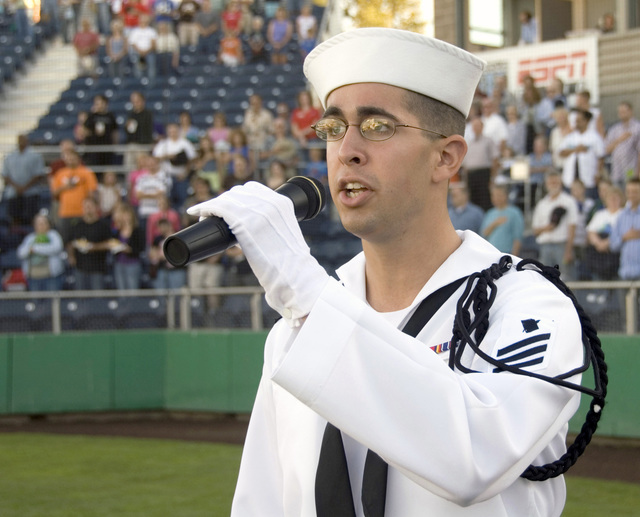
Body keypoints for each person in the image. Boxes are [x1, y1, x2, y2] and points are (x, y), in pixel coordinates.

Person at [186, 28, 585, 516]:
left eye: (377, 127)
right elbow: (264, 502)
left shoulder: (527, 304)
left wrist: (305, 293)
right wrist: (307, 302)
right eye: (333, 129)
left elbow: (475, 456)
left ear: (446, 157)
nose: (346, 149)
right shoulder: (296, 326)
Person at [532, 170, 578, 280]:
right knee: (546, 280)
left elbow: (572, 227)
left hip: (562, 245)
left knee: (567, 279)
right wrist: (547, 228)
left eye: (555, 182)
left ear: (560, 183)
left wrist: (569, 250)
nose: (553, 185)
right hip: (545, 246)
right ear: (546, 185)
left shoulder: (569, 201)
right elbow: (535, 230)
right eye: (551, 183)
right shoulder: (541, 204)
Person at [50, 149, 99, 243]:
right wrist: (65, 187)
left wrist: (90, 210)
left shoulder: (86, 172)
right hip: (65, 212)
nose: (71, 160)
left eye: (73, 158)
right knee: (66, 239)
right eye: (69, 158)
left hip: (82, 212)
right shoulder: (60, 173)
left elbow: (92, 192)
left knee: (83, 238)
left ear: (78, 159)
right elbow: (54, 193)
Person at [67, 196, 112, 290]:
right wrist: (71, 256)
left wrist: (94, 247)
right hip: (80, 267)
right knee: (81, 298)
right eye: (86, 206)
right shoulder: (77, 225)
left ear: (96, 207)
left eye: (90, 206)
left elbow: (110, 243)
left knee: (97, 299)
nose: (88, 209)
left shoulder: (103, 225)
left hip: (97, 268)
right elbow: (70, 243)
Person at [558, 109, 606, 198]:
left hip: (588, 179)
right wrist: (576, 149)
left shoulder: (594, 137)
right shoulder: (570, 137)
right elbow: (561, 152)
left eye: (579, 121)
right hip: (570, 180)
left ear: (586, 121)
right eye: (576, 121)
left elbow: (601, 156)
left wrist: (598, 173)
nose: (576, 123)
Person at [1, 134, 47, 226]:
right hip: (14, 193)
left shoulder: (35, 156)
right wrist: (17, 187)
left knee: (31, 217)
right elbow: (5, 175)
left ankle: (31, 236)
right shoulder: (10, 156)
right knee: (14, 218)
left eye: (23, 139)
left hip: (31, 192)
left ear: (27, 141)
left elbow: (38, 174)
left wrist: (24, 187)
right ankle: (15, 236)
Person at [17, 212, 66, 292]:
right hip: (34, 276)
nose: (41, 226)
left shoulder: (53, 235)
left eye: (43, 223)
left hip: (51, 276)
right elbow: (21, 253)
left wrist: (35, 249)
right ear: (34, 225)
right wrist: (29, 250)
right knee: (37, 302)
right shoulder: (30, 238)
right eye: (38, 223)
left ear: (48, 224)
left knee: (53, 301)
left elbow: (56, 248)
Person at [584, 186, 624, 280]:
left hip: (616, 253)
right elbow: (591, 231)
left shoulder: (623, 213)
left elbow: (623, 233)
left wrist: (608, 242)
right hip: (599, 255)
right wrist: (599, 243)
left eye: (616, 198)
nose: (613, 201)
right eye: (611, 198)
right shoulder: (600, 214)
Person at [480, 181, 525, 255]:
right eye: (493, 195)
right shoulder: (490, 213)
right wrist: (495, 223)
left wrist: (513, 257)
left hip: (507, 252)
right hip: (492, 252)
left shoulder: (514, 213)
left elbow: (518, 237)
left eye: (499, 195)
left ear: (506, 196)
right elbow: (484, 233)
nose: (496, 198)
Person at [609, 178, 640, 280]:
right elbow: (613, 245)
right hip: (625, 273)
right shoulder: (621, 216)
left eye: (635, 192)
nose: (631, 195)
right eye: (629, 192)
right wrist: (625, 237)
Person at [110, 202, 145, 289]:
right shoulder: (117, 231)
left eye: (128, 214)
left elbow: (140, 248)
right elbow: (112, 242)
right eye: (124, 215)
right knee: (121, 291)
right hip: (119, 264)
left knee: (132, 291)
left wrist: (128, 249)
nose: (126, 217)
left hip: (132, 265)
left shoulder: (137, 231)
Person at [604, 101, 640, 189]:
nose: (621, 114)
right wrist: (620, 139)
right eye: (620, 112)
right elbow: (606, 149)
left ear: (630, 111)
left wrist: (638, 172)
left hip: (631, 169)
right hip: (616, 170)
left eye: (624, 111)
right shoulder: (614, 129)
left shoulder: (637, 128)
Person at [83, 94, 119, 167]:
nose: (99, 105)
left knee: (106, 167)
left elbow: (115, 131)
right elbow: (84, 130)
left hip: (107, 147)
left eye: (101, 103)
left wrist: (115, 144)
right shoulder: (92, 116)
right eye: (97, 103)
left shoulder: (110, 116)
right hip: (94, 148)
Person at [128, 14, 157, 80]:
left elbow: (153, 43)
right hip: (138, 52)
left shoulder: (151, 31)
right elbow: (133, 43)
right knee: (137, 68)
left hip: (149, 52)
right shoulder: (135, 31)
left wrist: (146, 51)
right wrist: (140, 51)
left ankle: (151, 82)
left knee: (151, 67)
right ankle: (138, 81)